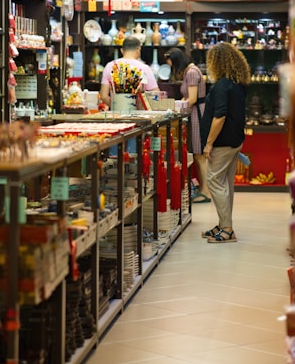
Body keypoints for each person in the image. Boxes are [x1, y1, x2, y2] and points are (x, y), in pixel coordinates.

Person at [201, 42, 251, 243]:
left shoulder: (222, 85)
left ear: (217, 62)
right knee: (226, 184)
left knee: (214, 181)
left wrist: (209, 143)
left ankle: (227, 229)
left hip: (222, 142)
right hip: (234, 140)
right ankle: (224, 225)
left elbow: (219, 116)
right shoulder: (236, 84)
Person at [165, 48, 211, 202]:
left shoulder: (191, 72)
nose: (173, 69)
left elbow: (191, 99)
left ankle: (205, 191)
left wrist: (176, 106)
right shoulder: (190, 71)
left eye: (173, 65)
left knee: (199, 154)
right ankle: (203, 189)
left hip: (197, 113)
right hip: (195, 112)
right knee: (198, 154)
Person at [100, 36, 159, 108]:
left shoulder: (110, 66)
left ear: (122, 50)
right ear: (138, 49)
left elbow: (103, 96)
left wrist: (116, 107)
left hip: (115, 115)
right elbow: (156, 95)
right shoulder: (144, 68)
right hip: (139, 115)